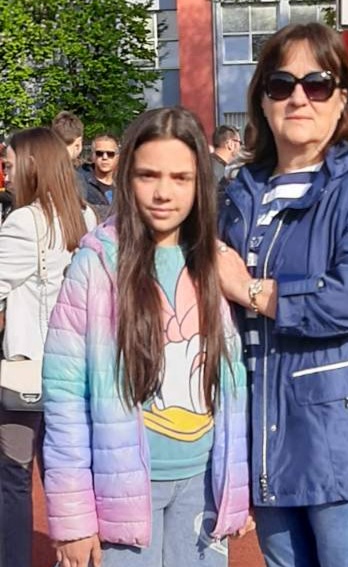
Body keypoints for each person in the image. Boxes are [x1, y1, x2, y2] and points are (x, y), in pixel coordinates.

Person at [216, 22, 348, 566]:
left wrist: (251, 290)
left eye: (317, 84)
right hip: (268, 431)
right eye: (281, 84)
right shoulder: (241, 190)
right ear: (262, 100)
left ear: (342, 101)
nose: (298, 98)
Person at [42, 107, 250, 567]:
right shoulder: (96, 265)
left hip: (203, 485)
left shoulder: (218, 263)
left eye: (180, 178)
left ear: (200, 183)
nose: (163, 192)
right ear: (126, 178)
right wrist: (73, 521)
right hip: (121, 493)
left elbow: (234, 383)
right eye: (148, 175)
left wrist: (235, 487)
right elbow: (64, 397)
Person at [0, 127, 96, 567]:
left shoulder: (26, 221)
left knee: (13, 478)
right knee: (66, 477)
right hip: (74, 368)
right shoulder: (84, 216)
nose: (8, 173)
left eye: (11, 164)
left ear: (32, 165)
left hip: (28, 369)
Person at [80, 134, 119, 221]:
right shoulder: (81, 181)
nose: (105, 157)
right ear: (93, 156)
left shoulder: (125, 183)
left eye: (110, 154)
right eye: (99, 153)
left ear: (117, 157)